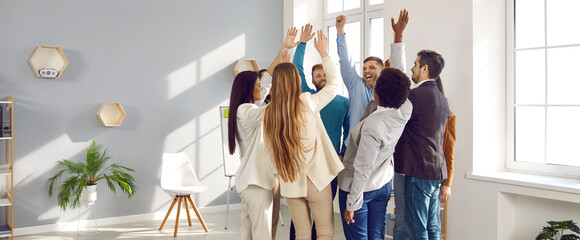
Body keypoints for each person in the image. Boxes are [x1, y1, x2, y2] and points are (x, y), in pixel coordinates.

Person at [263, 30, 344, 240]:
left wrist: (284, 52)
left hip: (290, 181)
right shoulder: (306, 102)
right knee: (325, 232)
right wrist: (325, 54)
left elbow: (263, 85)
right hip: (316, 179)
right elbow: (334, 86)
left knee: (301, 233)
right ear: (295, 81)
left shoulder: (267, 113)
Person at [338, 10, 410, 240]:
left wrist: (352, 202)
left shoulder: (373, 126)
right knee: (376, 236)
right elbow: (400, 77)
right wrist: (397, 39)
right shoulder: (404, 109)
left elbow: (363, 167)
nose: (367, 73)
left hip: (361, 186)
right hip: (382, 184)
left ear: (379, 90)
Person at [227, 28, 294, 240]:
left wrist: (284, 50)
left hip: (252, 182)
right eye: (257, 86)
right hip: (256, 183)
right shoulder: (248, 111)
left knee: (248, 233)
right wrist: (285, 75)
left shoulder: (247, 108)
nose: (262, 89)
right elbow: (274, 103)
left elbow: (267, 81)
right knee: (263, 234)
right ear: (248, 88)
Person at [288, 23, 350, 240]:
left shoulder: (343, 102)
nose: (322, 78)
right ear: (312, 80)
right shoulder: (307, 98)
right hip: (301, 167)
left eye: (325, 74)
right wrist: (302, 44)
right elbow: (296, 69)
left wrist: (342, 151)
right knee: (300, 222)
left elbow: (348, 129)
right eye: (318, 76)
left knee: (320, 218)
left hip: (327, 166)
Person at [394, 49, 450, 240]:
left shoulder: (414, 96)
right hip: (436, 172)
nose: (412, 68)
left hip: (418, 171)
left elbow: (396, 124)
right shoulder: (442, 98)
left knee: (416, 229)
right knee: (432, 226)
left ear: (424, 68)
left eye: (415, 64)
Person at [336, 14, 405, 131]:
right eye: (364, 68)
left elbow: (397, 70)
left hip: (380, 146)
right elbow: (346, 61)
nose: (366, 70)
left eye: (372, 67)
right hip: (355, 146)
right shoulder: (357, 86)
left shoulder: (388, 91)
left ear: (382, 70)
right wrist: (340, 31)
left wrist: (397, 38)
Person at [435, 76, 456, 236]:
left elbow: (449, 153)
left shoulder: (449, 116)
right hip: (411, 174)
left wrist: (447, 183)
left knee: (433, 223)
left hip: (436, 175)